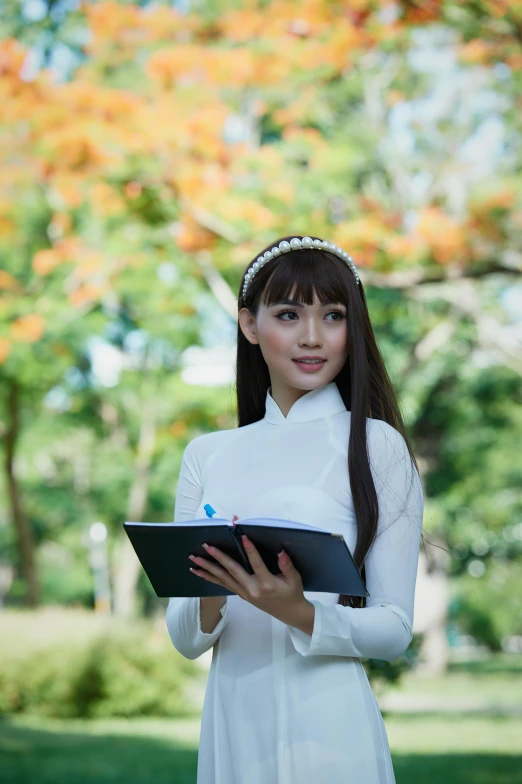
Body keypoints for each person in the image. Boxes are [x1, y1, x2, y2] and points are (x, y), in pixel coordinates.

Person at [166, 235, 424, 784]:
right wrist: (219, 583)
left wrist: (297, 610)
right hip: (232, 723)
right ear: (249, 325)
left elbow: (394, 629)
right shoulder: (207, 455)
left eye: (333, 315)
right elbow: (186, 639)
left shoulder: (376, 446)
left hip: (329, 727)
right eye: (288, 314)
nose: (313, 337)